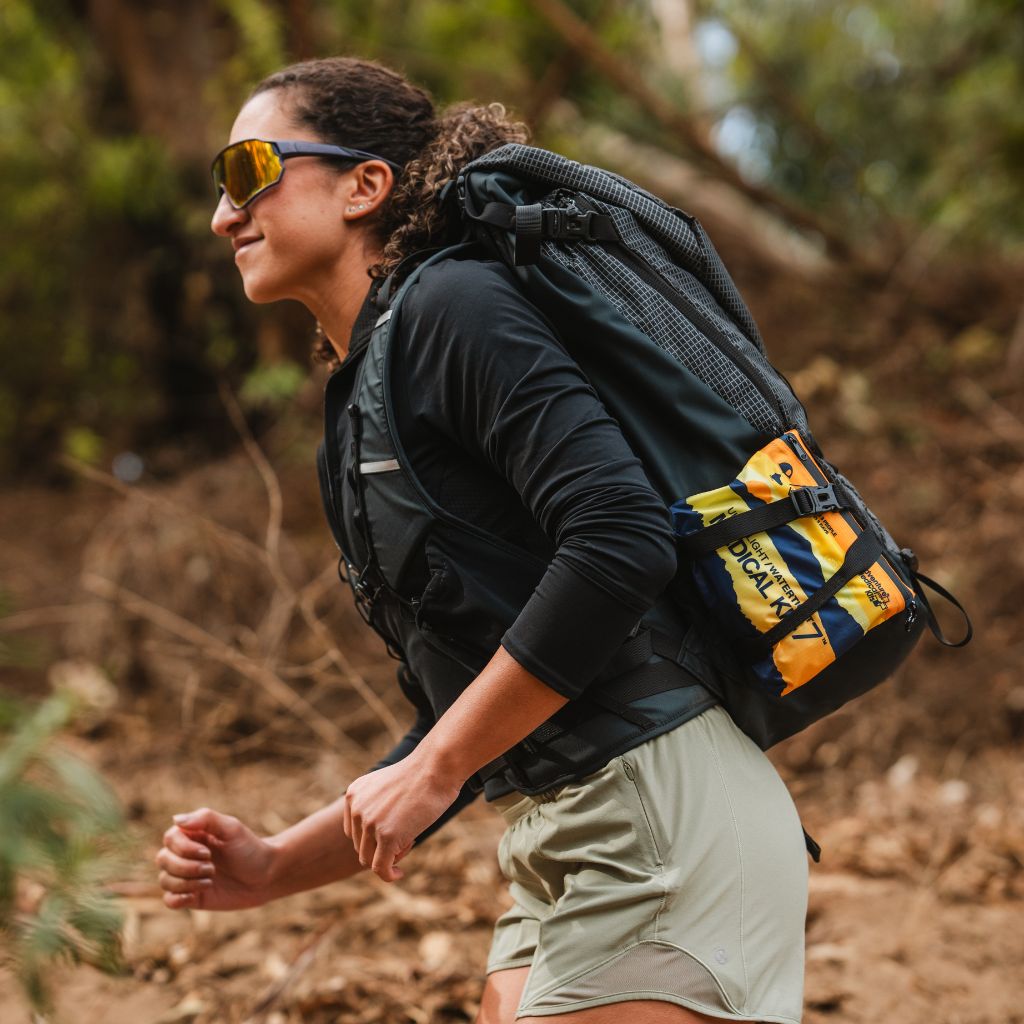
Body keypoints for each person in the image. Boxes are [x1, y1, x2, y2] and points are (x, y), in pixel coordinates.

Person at [156, 57, 809, 1024]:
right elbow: (468, 707)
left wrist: (434, 770)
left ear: (363, 185)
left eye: (249, 169)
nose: (223, 214)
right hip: (557, 836)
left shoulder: (449, 307)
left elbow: (621, 536)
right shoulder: (365, 386)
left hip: (656, 825)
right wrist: (273, 866)